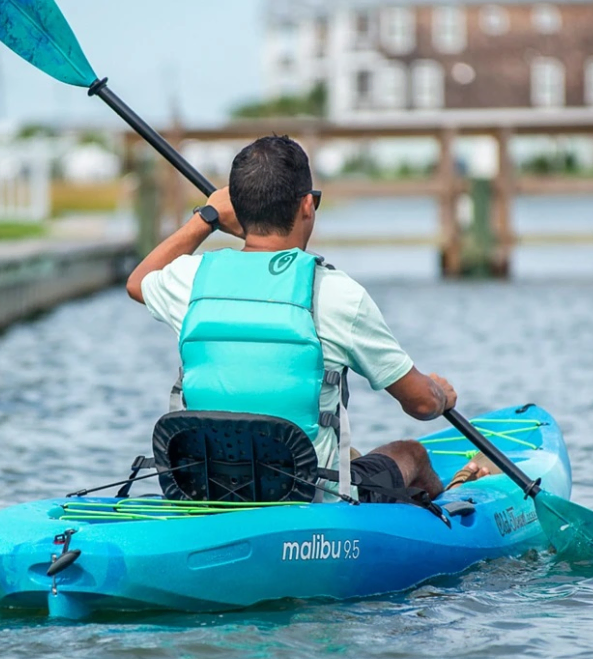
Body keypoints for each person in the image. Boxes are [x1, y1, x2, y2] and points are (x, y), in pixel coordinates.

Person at [127, 135, 484, 504]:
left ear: (237, 208)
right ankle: (446, 513)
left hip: (208, 489)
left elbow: (138, 282)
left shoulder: (190, 279)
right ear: (307, 205)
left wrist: (206, 218)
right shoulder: (335, 293)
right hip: (308, 499)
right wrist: (440, 393)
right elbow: (421, 405)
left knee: (350, 455)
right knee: (411, 454)